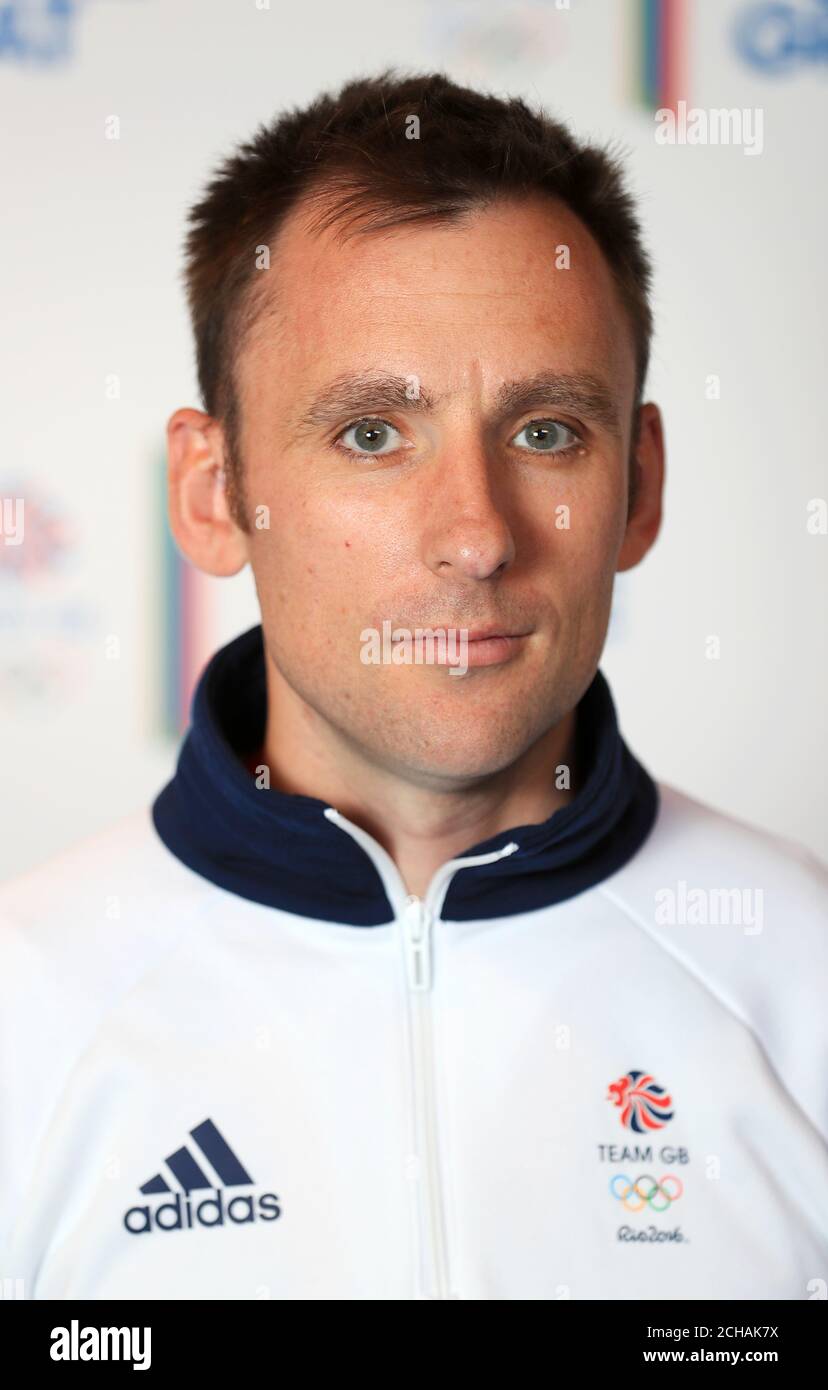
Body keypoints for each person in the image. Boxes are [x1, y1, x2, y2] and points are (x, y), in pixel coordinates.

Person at [1, 69, 825, 1302]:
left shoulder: (804, 974)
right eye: (373, 434)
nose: (478, 534)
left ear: (639, 487)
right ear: (213, 489)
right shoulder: (28, 1007)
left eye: (546, 430)